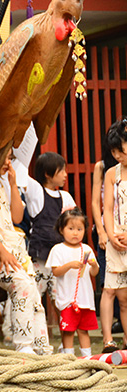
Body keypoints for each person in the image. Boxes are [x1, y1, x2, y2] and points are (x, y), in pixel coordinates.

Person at [0, 151, 51, 354]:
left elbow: (17, 217)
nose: (8, 162)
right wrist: (2, 251)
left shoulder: (3, 183)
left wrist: (13, 184)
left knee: (33, 291)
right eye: (5, 157)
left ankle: (42, 348)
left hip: (11, 247)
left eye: (10, 158)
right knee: (22, 284)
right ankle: (23, 345)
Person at [46, 208, 99, 356]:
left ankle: (87, 357)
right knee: (68, 331)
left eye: (79, 229)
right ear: (61, 229)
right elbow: (56, 271)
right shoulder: (58, 249)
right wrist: (69, 265)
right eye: (71, 228)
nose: (75, 233)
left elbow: (93, 273)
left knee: (83, 330)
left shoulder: (86, 249)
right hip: (68, 300)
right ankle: (68, 357)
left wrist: (94, 265)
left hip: (85, 299)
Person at [25, 152, 77, 297]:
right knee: (33, 296)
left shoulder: (65, 197)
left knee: (62, 298)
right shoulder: (37, 192)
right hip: (40, 255)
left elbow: (75, 223)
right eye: (61, 171)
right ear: (48, 174)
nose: (65, 175)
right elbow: (21, 172)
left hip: (59, 258)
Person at [101, 117, 127, 353]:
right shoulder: (111, 173)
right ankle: (108, 340)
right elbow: (107, 209)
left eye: (122, 151)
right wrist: (111, 234)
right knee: (113, 291)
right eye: (114, 152)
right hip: (116, 238)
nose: (118, 156)